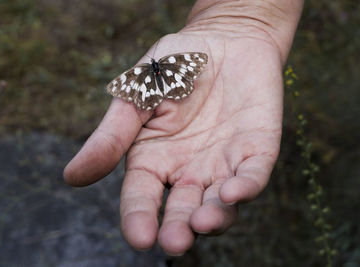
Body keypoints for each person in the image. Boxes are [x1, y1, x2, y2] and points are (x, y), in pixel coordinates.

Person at [63, 0, 304, 256]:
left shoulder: (165, 66)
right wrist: (233, 17)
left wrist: (238, 20)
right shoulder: (166, 65)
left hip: (162, 79)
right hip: (166, 78)